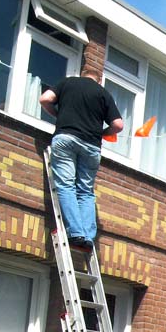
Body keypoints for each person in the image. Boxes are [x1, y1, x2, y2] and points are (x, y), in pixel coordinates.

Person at [39, 65, 123, 248]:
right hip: (92, 146)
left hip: (66, 138)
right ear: (99, 80)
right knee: (85, 191)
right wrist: (101, 133)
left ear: (82, 76)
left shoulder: (68, 83)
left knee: (66, 185)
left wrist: (58, 114)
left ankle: (76, 232)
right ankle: (87, 236)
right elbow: (118, 125)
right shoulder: (103, 94)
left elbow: (45, 99)